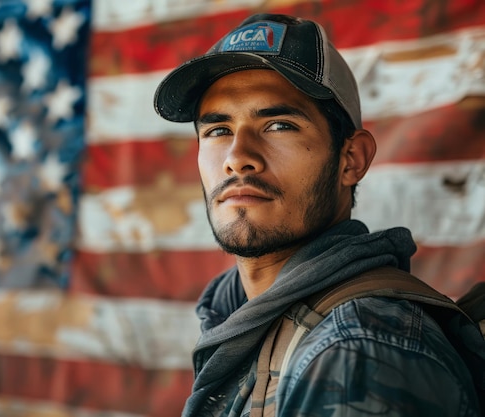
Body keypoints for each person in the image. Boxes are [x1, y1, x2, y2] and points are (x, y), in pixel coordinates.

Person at [153, 13, 483, 417]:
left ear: (351, 159)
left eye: (278, 125)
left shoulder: (356, 351)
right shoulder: (241, 316)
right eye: (218, 131)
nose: (238, 159)